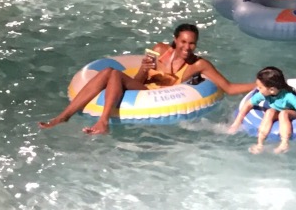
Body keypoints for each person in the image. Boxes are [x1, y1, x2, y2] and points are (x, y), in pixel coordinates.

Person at [39, 23, 255, 135]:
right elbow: (141, 78)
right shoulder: (158, 49)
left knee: (112, 74)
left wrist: (258, 84)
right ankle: (64, 116)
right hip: (139, 87)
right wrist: (144, 68)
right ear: (175, 40)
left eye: (192, 43)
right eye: (183, 42)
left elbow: (228, 87)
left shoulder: (198, 64)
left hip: (157, 96)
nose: (187, 47)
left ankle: (101, 121)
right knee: (108, 71)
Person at [228, 66, 296, 154]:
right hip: (278, 110)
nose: (258, 89)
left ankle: (284, 143)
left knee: (283, 114)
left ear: (272, 90)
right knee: (269, 111)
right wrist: (236, 123)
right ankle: (260, 143)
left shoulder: (289, 96)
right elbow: (248, 104)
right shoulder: (264, 93)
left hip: (293, 112)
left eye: (260, 87)